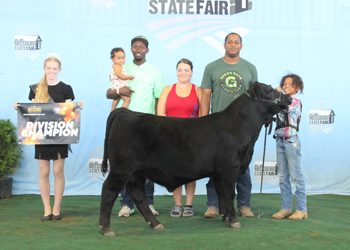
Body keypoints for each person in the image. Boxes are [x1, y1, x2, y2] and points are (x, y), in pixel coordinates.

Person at [14, 53, 83, 221]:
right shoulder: (35, 88)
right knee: (43, 172)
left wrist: (77, 107)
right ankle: (46, 209)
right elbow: (32, 111)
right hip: (42, 135)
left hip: (59, 135)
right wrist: (19, 107)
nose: (52, 71)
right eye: (49, 68)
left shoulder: (66, 88)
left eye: (55, 68)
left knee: (58, 170)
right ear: (44, 68)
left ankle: (57, 208)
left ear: (59, 70)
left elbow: (68, 112)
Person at [106, 35, 164, 217]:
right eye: (135, 47)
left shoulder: (156, 71)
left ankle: (149, 203)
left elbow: (159, 99)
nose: (138, 49)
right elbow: (109, 92)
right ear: (131, 49)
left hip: (148, 126)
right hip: (126, 126)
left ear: (147, 50)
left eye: (142, 47)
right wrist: (118, 91)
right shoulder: (121, 67)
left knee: (149, 166)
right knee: (125, 165)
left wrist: (159, 124)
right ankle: (126, 204)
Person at [201, 32, 257, 218]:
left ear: (241, 46)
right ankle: (213, 205)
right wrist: (202, 121)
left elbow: (256, 99)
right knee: (214, 165)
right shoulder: (211, 67)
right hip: (217, 126)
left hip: (242, 127)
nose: (233, 45)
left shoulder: (250, 68)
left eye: (236, 42)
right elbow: (206, 95)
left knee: (242, 165)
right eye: (229, 42)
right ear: (224, 45)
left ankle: (244, 205)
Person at [157, 59, 202, 217]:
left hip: (192, 139)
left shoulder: (199, 91)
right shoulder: (167, 90)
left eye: (186, 70)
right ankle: (177, 205)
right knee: (175, 172)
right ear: (176, 71)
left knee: (191, 172)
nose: (183, 72)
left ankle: (189, 205)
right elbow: (160, 114)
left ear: (192, 72)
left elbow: (203, 116)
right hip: (171, 138)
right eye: (180, 70)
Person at [271, 74, 307, 220]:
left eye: (290, 84)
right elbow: (280, 113)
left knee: (295, 176)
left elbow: (285, 107)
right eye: (284, 84)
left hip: (291, 142)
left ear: (297, 88)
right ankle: (286, 208)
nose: (286, 86)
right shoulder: (282, 100)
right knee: (282, 177)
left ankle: (301, 209)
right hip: (280, 141)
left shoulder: (294, 101)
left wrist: (277, 93)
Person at [109, 47, 134, 111]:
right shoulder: (117, 67)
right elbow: (119, 75)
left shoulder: (114, 66)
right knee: (127, 100)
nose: (121, 60)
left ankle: (112, 110)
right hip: (120, 86)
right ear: (113, 59)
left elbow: (111, 77)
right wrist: (128, 77)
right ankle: (123, 111)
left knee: (116, 99)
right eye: (118, 58)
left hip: (116, 86)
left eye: (123, 58)